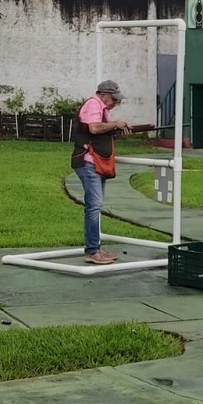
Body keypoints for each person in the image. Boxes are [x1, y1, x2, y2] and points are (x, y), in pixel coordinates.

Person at [72, 80, 130, 265]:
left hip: (94, 162)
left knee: (95, 206)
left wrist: (116, 130)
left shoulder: (101, 108)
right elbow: (94, 128)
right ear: (104, 95)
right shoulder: (93, 104)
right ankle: (92, 251)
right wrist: (115, 124)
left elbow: (99, 134)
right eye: (114, 99)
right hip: (89, 161)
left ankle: (94, 248)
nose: (115, 103)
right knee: (94, 206)